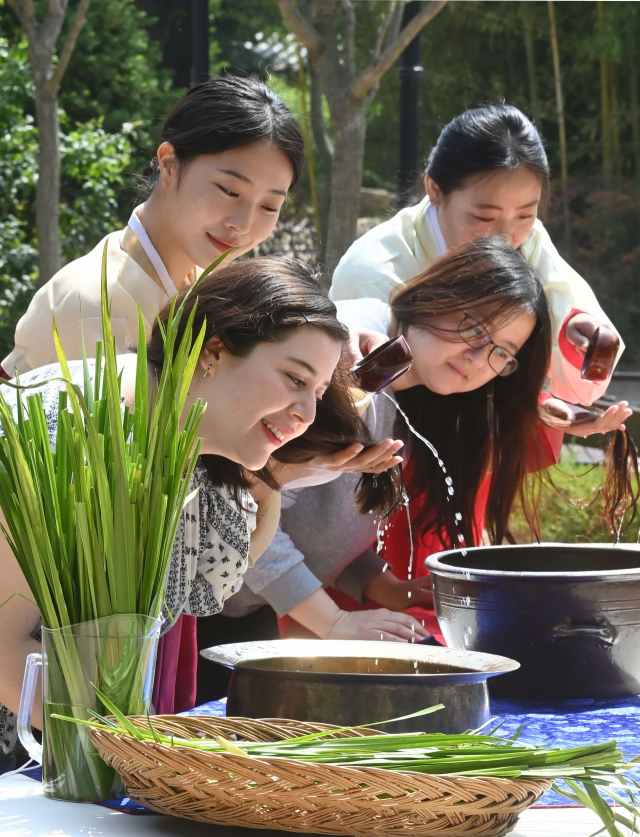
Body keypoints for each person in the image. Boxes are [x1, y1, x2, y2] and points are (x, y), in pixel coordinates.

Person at [0, 256, 399, 734]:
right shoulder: (59, 432)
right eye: (295, 379)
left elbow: (208, 586)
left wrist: (271, 479)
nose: (306, 413)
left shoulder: (204, 441)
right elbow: (6, 647)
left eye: (316, 390)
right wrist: (135, 749)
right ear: (212, 351)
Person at [212, 239, 638, 665]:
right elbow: (239, 503)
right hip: (193, 602)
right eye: (475, 330)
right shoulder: (348, 357)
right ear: (435, 293)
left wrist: (381, 584)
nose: (477, 358)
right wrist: (334, 622)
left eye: (502, 353)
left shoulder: (421, 393)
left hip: (238, 605)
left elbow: (313, 512)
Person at [330, 104, 630, 441]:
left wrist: (573, 332)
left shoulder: (526, 240)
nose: (505, 237)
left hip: (471, 445)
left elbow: (567, 357)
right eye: (484, 217)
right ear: (435, 190)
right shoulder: (375, 274)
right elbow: (367, 402)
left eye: (526, 215)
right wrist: (534, 408)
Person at [1, 74, 306, 378]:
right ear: (170, 163)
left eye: (269, 206)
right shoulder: (88, 304)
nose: (243, 225)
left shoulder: (219, 289)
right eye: (230, 191)